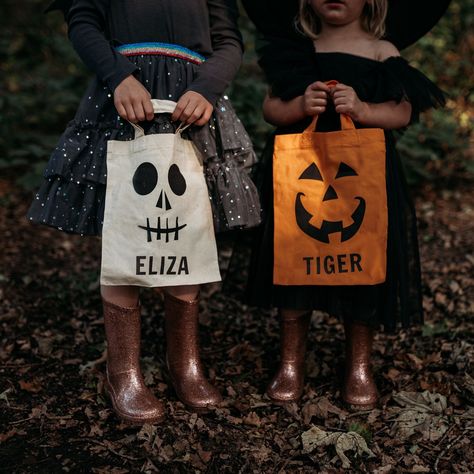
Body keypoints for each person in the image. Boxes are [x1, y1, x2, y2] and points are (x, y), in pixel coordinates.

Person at [28, 0, 260, 424]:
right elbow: (83, 21)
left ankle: (184, 365)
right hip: (124, 99)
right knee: (127, 227)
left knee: (184, 227)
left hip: (192, 105)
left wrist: (206, 87)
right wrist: (118, 76)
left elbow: (228, 41)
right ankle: (124, 373)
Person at [246, 0, 445, 409]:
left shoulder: (380, 49)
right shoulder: (298, 47)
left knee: (363, 264)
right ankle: (290, 364)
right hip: (303, 174)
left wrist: (365, 109)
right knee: (294, 263)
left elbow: (404, 111)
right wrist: (299, 107)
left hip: (362, 178)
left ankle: (359, 366)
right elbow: (270, 107)